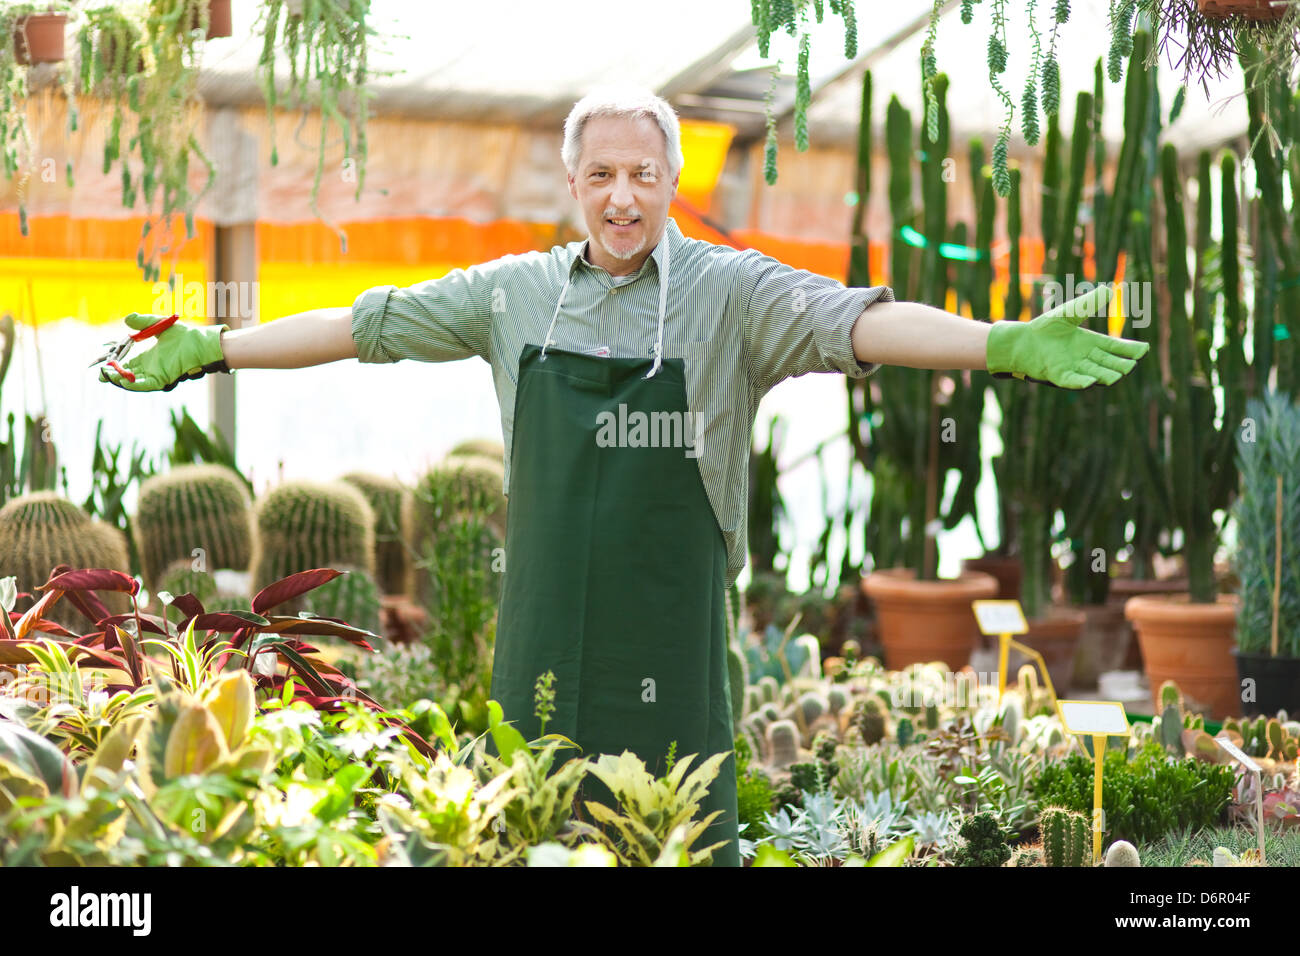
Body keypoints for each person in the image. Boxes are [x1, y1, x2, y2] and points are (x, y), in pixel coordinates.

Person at [98, 86, 1148, 866]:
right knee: (536, 825)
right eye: (600, 174)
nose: (621, 195)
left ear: (671, 182)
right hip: (542, 631)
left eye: (642, 173)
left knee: (679, 838)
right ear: (573, 185)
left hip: (671, 640)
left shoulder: (731, 293)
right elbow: (363, 324)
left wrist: (997, 341)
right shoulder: (510, 295)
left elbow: (856, 318)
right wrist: (214, 346)